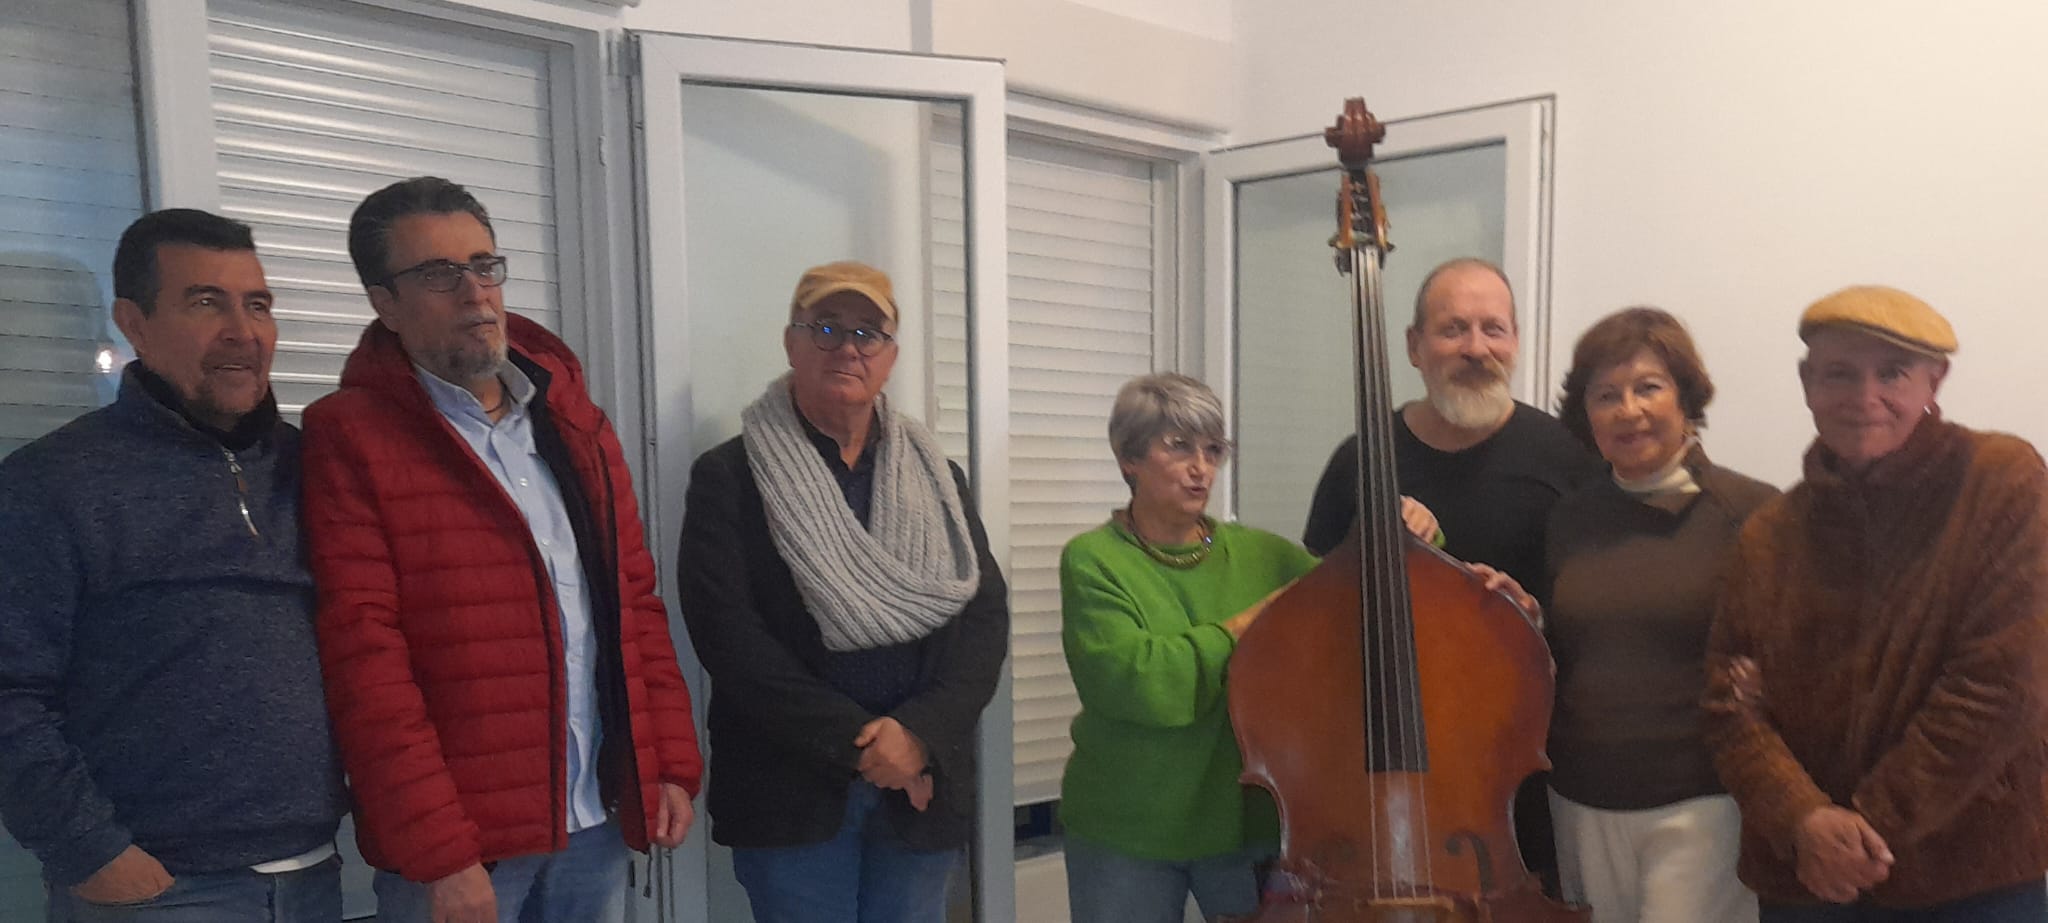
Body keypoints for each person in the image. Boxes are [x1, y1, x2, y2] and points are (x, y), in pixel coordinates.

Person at [301, 177, 702, 923]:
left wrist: (667, 763)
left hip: (595, 821)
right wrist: (439, 850)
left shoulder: (573, 423)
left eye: (484, 266)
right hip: (465, 851)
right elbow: (365, 660)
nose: (476, 293)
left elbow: (632, 604)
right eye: (438, 274)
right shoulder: (350, 435)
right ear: (385, 304)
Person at [0, 209, 346, 920]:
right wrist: (92, 852)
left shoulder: (312, 466)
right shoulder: (52, 482)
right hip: (160, 891)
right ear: (135, 323)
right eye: (205, 302)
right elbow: (10, 691)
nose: (243, 332)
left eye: (257, 305)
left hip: (317, 873)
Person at [675, 261, 1008, 923]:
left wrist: (919, 736)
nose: (848, 348)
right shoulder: (730, 476)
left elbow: (982, 619)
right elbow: (730, 639)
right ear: (791, 343)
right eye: (826, 328)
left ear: (890, 356)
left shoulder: (939, 477)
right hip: (793, 792)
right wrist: (869, 746)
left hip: (919, 790)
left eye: (867, 333)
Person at [1704, 285, 2048, 922]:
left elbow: (2004, 685)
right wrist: (1801, 818)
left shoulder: (2002, 482)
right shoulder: (1769, 533)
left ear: (1934, 381)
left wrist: (1867, 830)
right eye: (1839, 373)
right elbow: (1731, 703)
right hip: (1806, 876)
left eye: (1891, 373)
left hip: (1970, 875)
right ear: (1807, 383)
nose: (1864, 398)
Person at [1300, 257, 1600, 890]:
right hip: (1382, 763)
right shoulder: (1360, 460)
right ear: (1414, 346)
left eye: (1494, 329)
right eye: (1453, 329)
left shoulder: (1567, 457)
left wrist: (1536, 613)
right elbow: (1314, 619)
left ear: (1515, 341)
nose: (1476, 348)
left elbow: (1601, 611)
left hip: (1520, 766)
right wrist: (1369, 548)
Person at [1537, 308, 1775, 922]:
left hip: (1702, 803)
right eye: (1606, 395)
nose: (1629, 411)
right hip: (1580, 796)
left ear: (1685, 399)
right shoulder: (1569, 519)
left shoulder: (1751, 514)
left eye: (1648, 388)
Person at [1057, 373, 1317, 923]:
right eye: (1178, 447)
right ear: (1129, 457)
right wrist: (1241, 628)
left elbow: (1354, 589)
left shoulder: (1262, 553)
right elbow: (1141, 681)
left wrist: (1414, 532)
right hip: (1126, 827)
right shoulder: (1093, 560)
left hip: (1244, 823)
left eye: (1212, 450)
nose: (1201, 468)